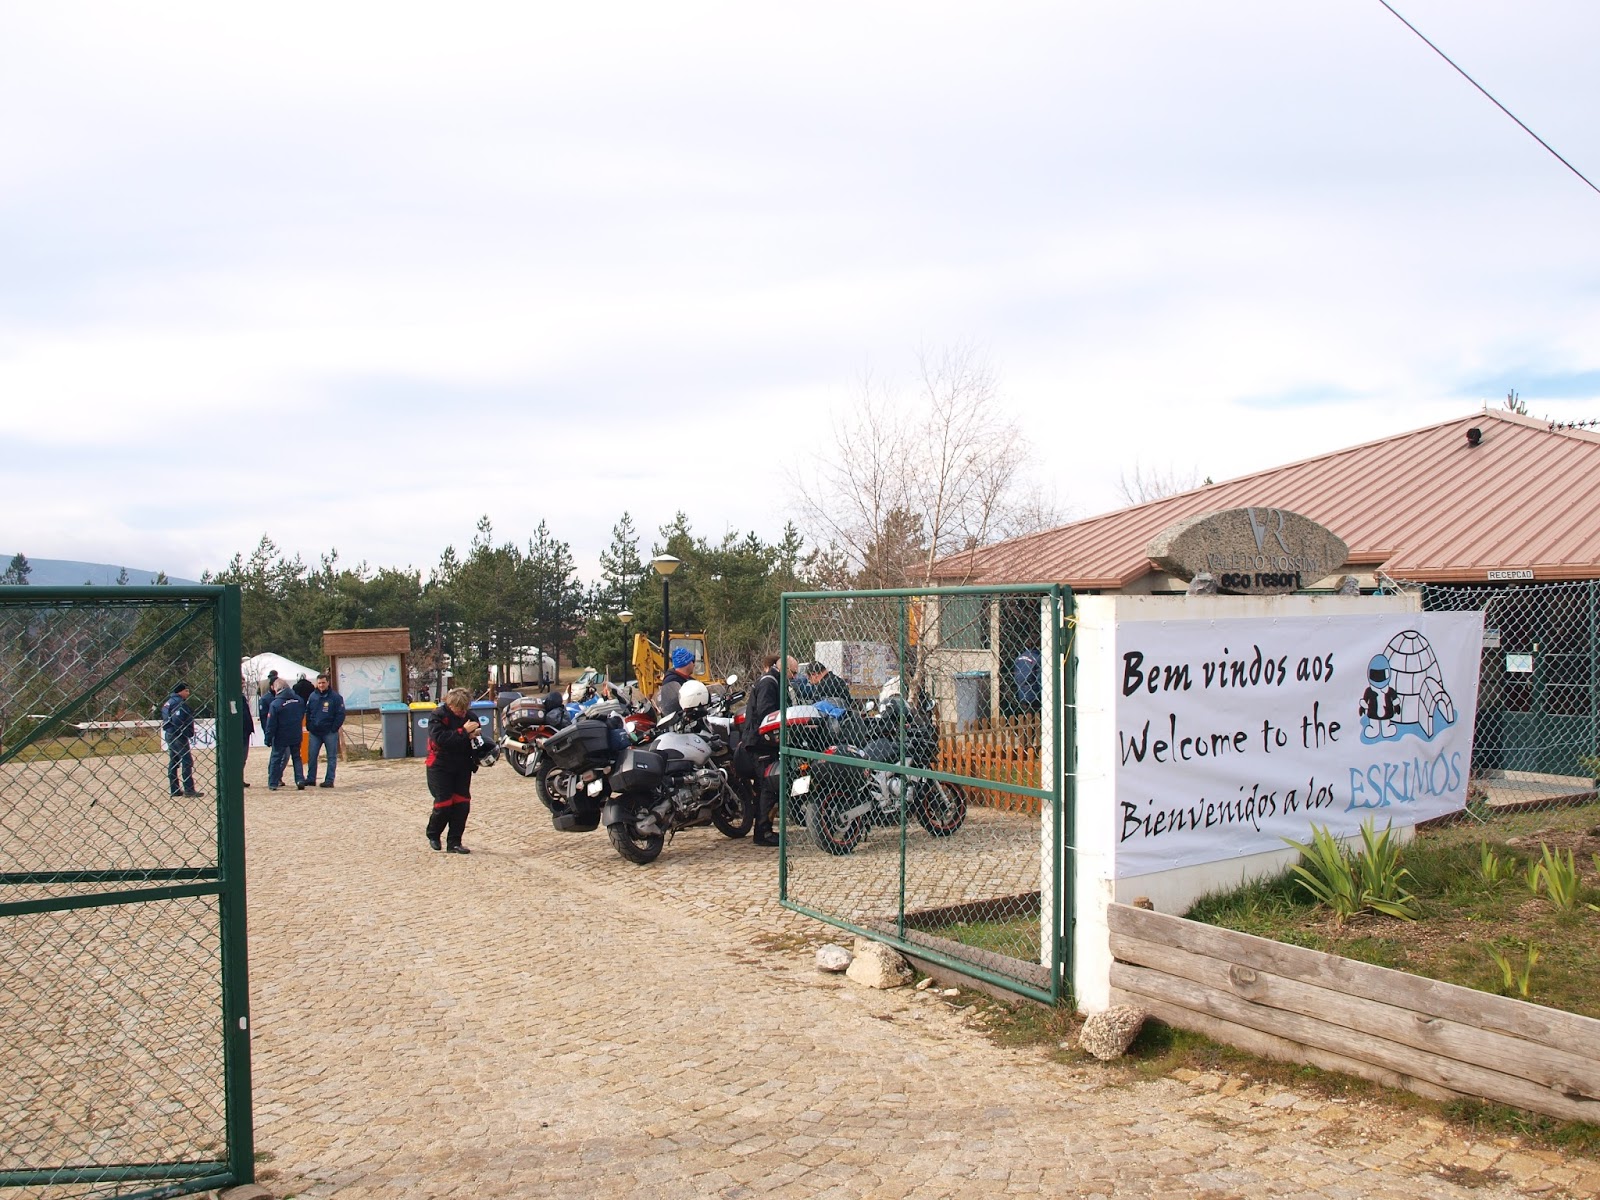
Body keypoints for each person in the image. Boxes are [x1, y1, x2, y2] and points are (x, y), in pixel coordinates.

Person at [739, 653, 788, 847]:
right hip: (761, 742)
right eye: (793, 673)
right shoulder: (769, 683)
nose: (794, 677)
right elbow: (766, 712)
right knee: (767, 786)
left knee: (765, 786)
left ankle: (764, 829)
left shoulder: (770, 681)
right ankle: (763, 832)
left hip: (761, 740)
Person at [425, 687, 482, 854]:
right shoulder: (438, 716)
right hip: (440, 765)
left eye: (465, 709)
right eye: (459, 709)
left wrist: (478, 743)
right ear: (450, 705)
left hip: (462, 765)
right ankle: (433, 833)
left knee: (462, 804)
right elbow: (440, 739)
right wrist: (464, 732)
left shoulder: (471, 717)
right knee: (443, 803)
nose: (462, 713)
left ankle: (455, 842)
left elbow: (476, 742)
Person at [304, 672, 346, 788]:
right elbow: (308, 712)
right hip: (315, 732)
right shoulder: (313, 696)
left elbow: (341, 714)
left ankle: (329, 780)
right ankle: (311, 778)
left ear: (328, 683)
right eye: (319, 683)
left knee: (331, 757)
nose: (321, 685)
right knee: (312, 756)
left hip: (329, 732)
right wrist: (309, 725)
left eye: (323, 683)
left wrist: (334, 728)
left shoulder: (336, 697)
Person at [264, 678, 307, 791]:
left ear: (277, 689)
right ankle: (300, 780)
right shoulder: (299, 700)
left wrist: (268, 738)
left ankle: (273, 782)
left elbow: (271, 723)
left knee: (276, 758)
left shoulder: (275, 704)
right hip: (296, 733)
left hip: (281, 735)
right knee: (297, 757)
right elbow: (302, 715)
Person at [161, 681, 202, 797]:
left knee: (174, 761)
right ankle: (189, 789)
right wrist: (184, 732)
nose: (188, 693)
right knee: (187, 761)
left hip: (169, 733)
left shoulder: (168, 703)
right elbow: (178, 720)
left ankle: (174, 789)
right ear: (180, 691)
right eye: (186, 691)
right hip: (178, 735)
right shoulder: (179, 703)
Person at [657, 647, 697, 717]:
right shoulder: (671, 681)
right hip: (679, 720)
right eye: (692, 661)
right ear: (687, 663)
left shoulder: (686, 678)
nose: (694, 664)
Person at [1013, 645, 1042, 713]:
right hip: (1034, 693)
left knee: (1026, 714)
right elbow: (1040, 679)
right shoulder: (1038, 658)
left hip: (1021, 692)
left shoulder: (1019, 658)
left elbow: (1016, 675)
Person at [240, 684, 254, 788]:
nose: (244, 685)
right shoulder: (237, 698)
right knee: (240, 757)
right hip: (241, 731)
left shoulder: (242, 697)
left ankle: (240, 777)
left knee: (243, 757)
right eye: (241, 683)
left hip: (246, 731)